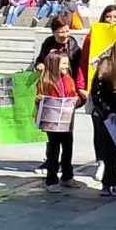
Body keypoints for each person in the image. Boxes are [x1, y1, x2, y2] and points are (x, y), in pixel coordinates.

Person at [89, 41, 116, 195]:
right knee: (108, 150)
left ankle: (111, 183)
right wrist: (108, 113)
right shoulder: (106, 66)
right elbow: (96, 94)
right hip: (106, 116)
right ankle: (110, 184)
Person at [38, 50, 79, 191]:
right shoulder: (46, 81)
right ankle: (51, 179)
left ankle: (67, 176)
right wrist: (39, 100)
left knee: (68, 148)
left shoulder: (68, 79)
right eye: (63, 64)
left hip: (66, 120)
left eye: (67, 63)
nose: (66, 66)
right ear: (54, 64)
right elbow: (40, 98)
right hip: (52, 122)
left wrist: (76, 100)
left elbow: (74, 94)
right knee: (54, 149)